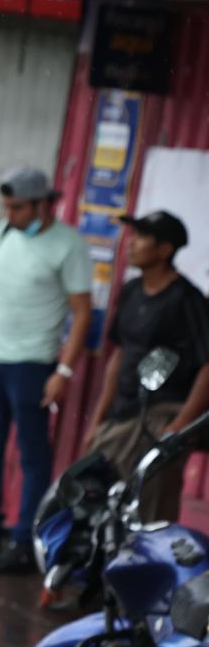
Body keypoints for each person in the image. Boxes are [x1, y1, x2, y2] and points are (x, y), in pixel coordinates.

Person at [0, 166, 92, 573]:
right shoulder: (5, 230)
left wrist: (63, 371)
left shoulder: (69, 246)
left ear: (45, 204)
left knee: (31, 454)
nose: (10, 214)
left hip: (31, 362)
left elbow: (82, 313)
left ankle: (25, 541)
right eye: (7, 206)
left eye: (19, 207)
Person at [84, 211, 209, 523]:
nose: (132, 244)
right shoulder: (131, 290)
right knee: (100, 501)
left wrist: (178, 427)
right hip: (122, 415)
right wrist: (98, 418)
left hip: (161, 416)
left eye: (141, 238)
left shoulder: (187, 300)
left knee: (149, 511)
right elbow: (119, 355)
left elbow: (208, 367)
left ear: (164, 250)